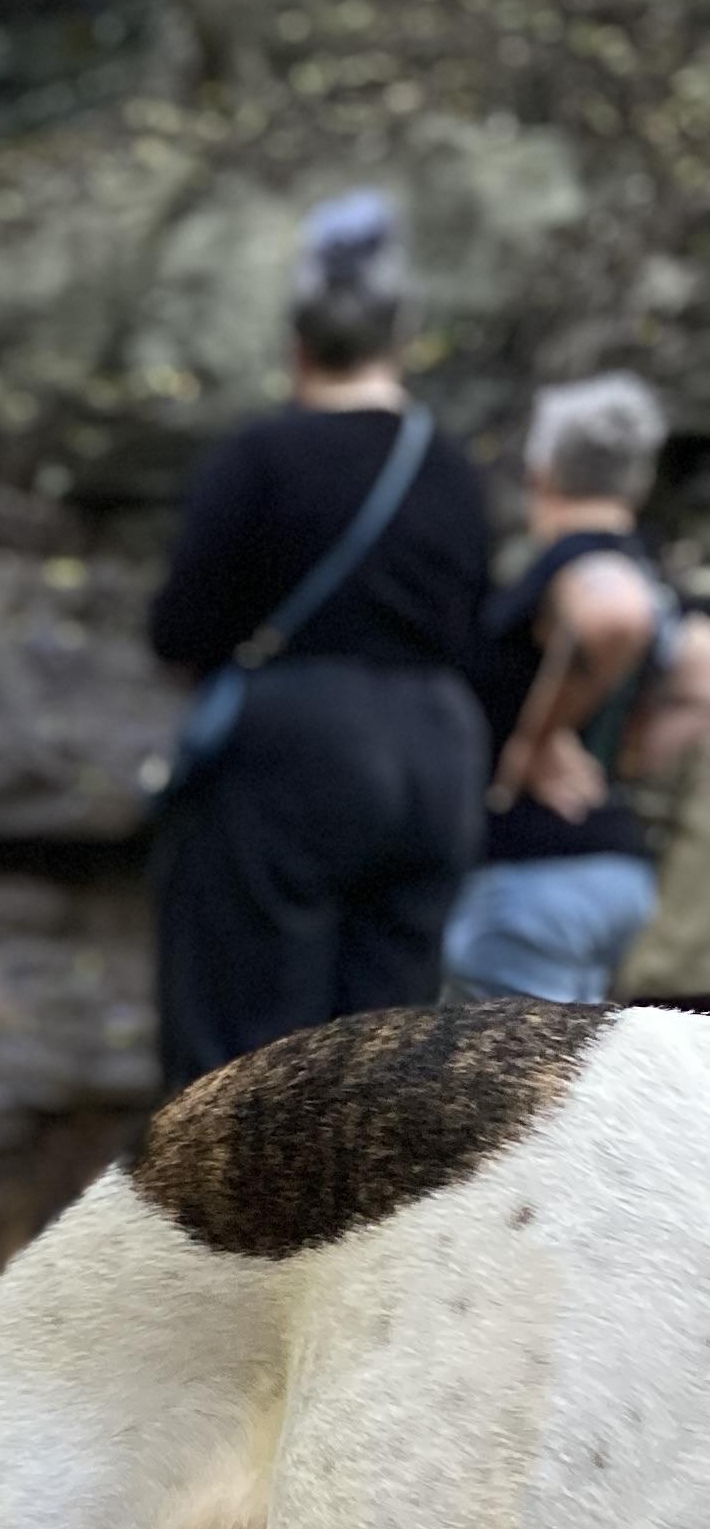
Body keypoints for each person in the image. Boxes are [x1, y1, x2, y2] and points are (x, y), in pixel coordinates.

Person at [145, 193, 490, 1091]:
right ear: (400, 338)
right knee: (394, 1055)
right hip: (440, 751)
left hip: (299, 749)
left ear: (297, 341)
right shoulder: (452, 468)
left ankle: (245, 1229)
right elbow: (474, 626)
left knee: (252, 1054)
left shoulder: (260, 456)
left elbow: (181, 628)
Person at [444, 377, 681, 1004]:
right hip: (613, 869)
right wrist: (627, 755)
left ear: (541, 472)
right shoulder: (651, 570)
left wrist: (537, 740)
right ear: (636, 481)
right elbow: (699, 681)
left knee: (504, 1098)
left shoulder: (580, 561)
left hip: (533, 878)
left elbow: (614, 616)